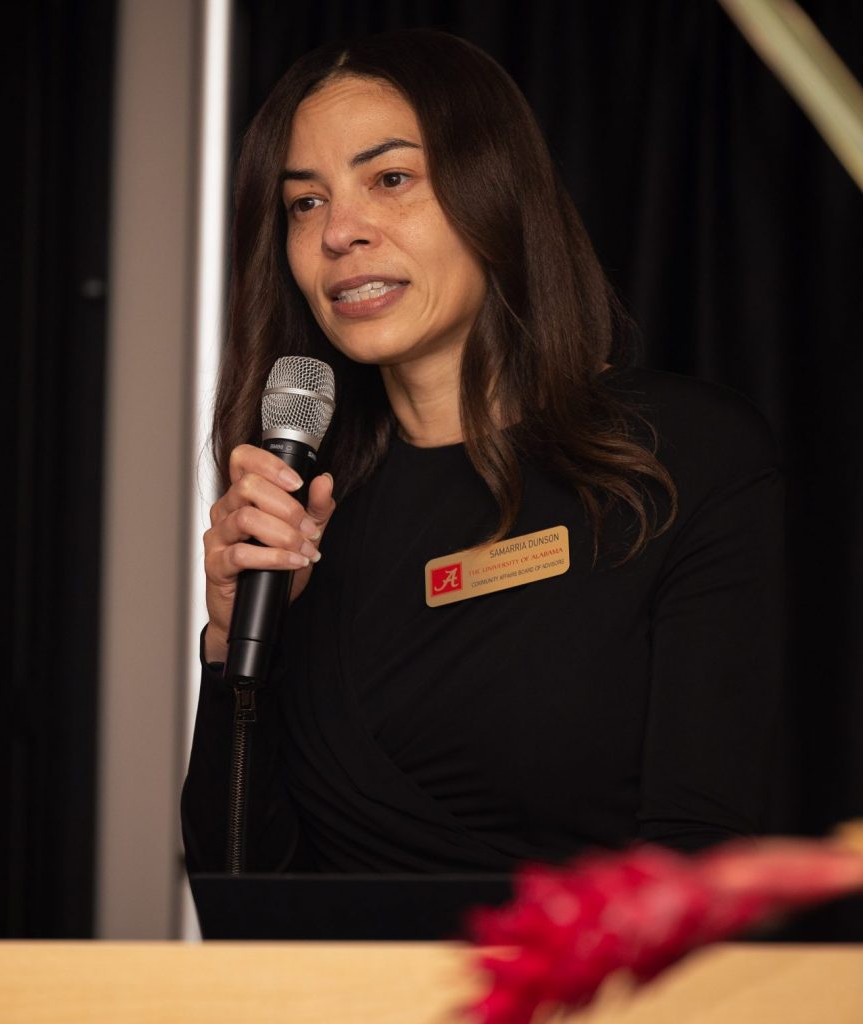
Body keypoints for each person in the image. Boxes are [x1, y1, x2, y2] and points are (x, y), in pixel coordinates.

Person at [181, 29, 782, 873]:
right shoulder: (307, 515)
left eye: (390, 179)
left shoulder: (682, 455)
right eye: (304, 203)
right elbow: (241, 882)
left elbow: (702, 857)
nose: (340, 232)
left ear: (495, 189)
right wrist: (229, 643)